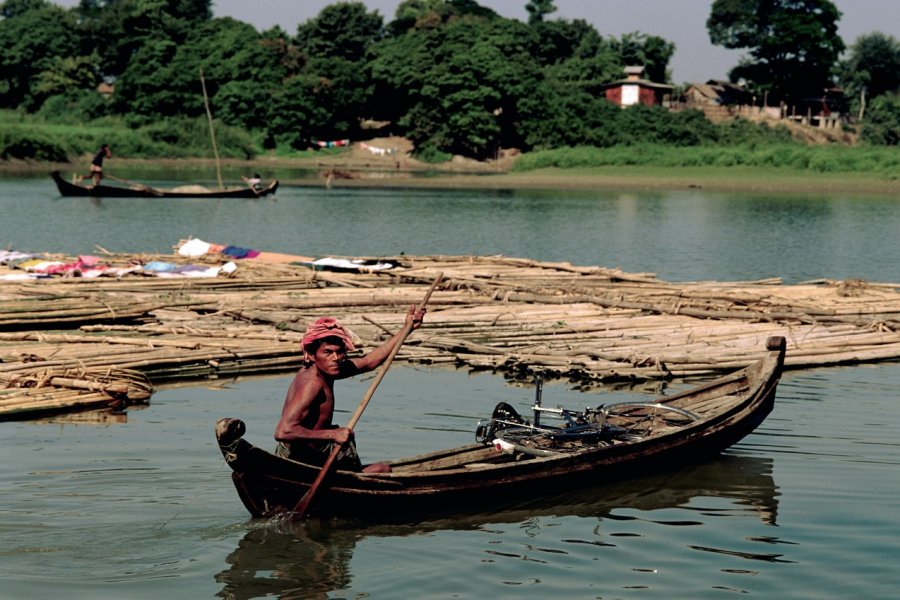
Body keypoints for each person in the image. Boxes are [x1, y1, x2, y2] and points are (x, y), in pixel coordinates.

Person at [275, 306, 426, 473]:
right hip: (302, 459)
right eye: (328, 352)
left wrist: (407, 328)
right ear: (311, 355)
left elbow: (369, 362)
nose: (335, 358)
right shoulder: (312, 384)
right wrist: (333, 435)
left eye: (339, 352)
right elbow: (284, 431)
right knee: (383, 470)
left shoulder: (325, 369)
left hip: (311, 453)